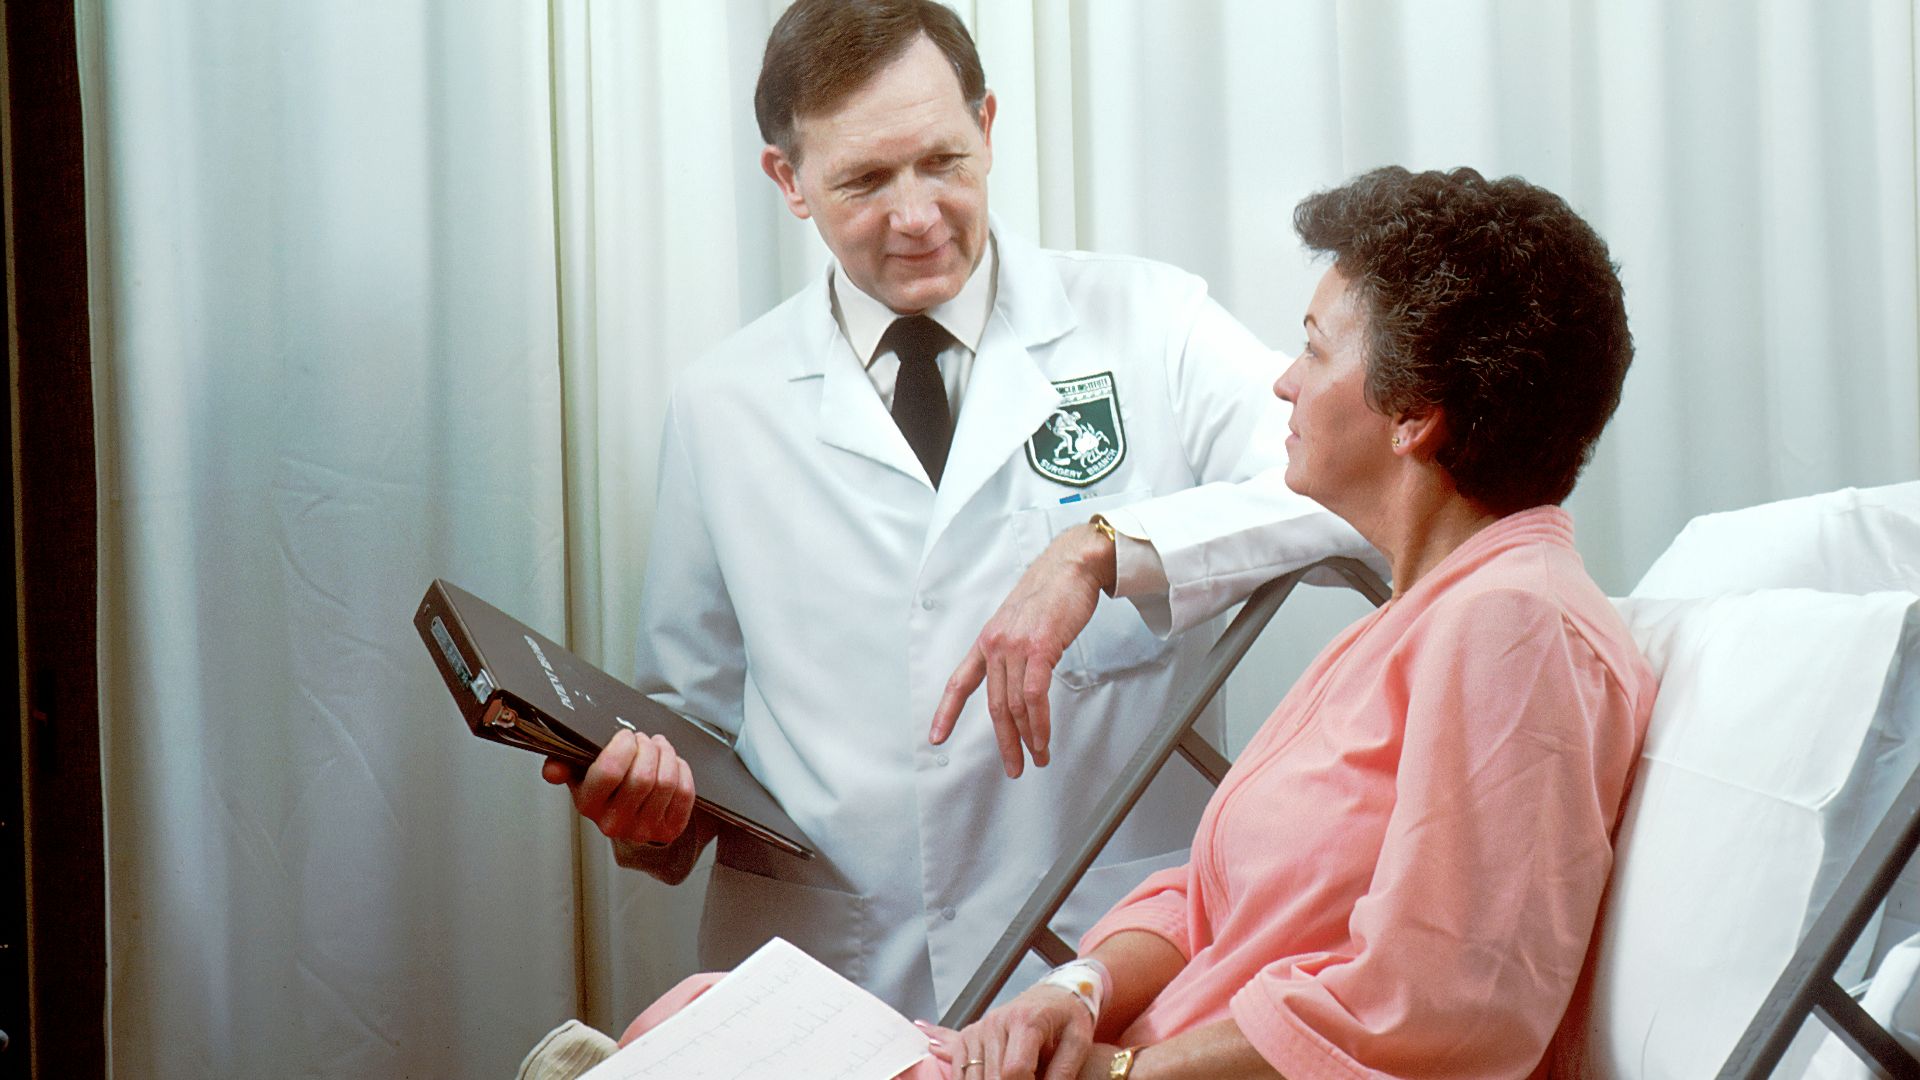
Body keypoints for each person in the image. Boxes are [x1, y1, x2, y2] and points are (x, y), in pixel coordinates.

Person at [539, 0, 1373, 1024]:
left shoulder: (1152, 323)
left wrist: (1105, 549)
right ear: (787, 180)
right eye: (864, 180)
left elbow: (1358, 498)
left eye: (942, 160)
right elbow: (693, 733)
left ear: (987, 124)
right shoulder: (723, 403)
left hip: (1104, 969)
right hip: (832, 985)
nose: (919, 214)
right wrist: (648, 816)